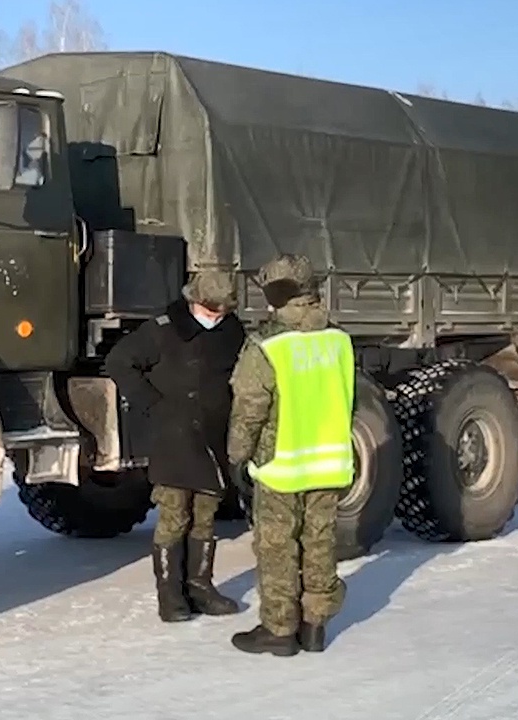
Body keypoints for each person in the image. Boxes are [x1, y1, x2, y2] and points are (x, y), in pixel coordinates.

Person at [226, 254, 355, 656]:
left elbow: (250, 409)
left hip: (281, 465)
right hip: (330, 461)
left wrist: (237, 457)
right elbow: (347, 400)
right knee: (320, 542)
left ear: (278, 297)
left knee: (278, 546)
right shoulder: (339, 339)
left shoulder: (267, 346)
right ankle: (315, 625)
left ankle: (280, 630)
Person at [104, 270, 247, 623]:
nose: (215, 319)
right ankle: (170, 597)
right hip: (173, 439)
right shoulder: (163, 330)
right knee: (173, 516)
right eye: (210, 311)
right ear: (193, 302)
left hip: (212, 438)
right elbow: (119, 363)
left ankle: (200, 587)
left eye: (222, 313)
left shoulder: (232, 332)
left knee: (205, 516)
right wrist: (153, 403)